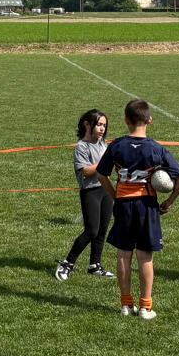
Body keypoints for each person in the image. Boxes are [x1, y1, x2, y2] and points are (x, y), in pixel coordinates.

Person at [95, 98, 179, 320]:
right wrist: (169, 201)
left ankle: (126, 305)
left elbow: (101, 174)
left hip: (124, 205)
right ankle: (146, 307)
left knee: (123, 254)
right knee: (145, 256)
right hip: (147, 207)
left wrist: (115, 195)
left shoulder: (116, 145)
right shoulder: (157, 149)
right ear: (150, 120)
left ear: (126, 120)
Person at [55, 109, 114, 281]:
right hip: (91, 192)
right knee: (91, 230)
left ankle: (95, 265)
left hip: (106, 190)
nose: (102, 128)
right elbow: (86, 171)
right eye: (99, 124)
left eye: (104, 125)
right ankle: (67, 263)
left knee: (102, 230)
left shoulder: (103, 144)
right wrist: (106, 161)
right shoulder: (82, 147)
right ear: (87, 124)